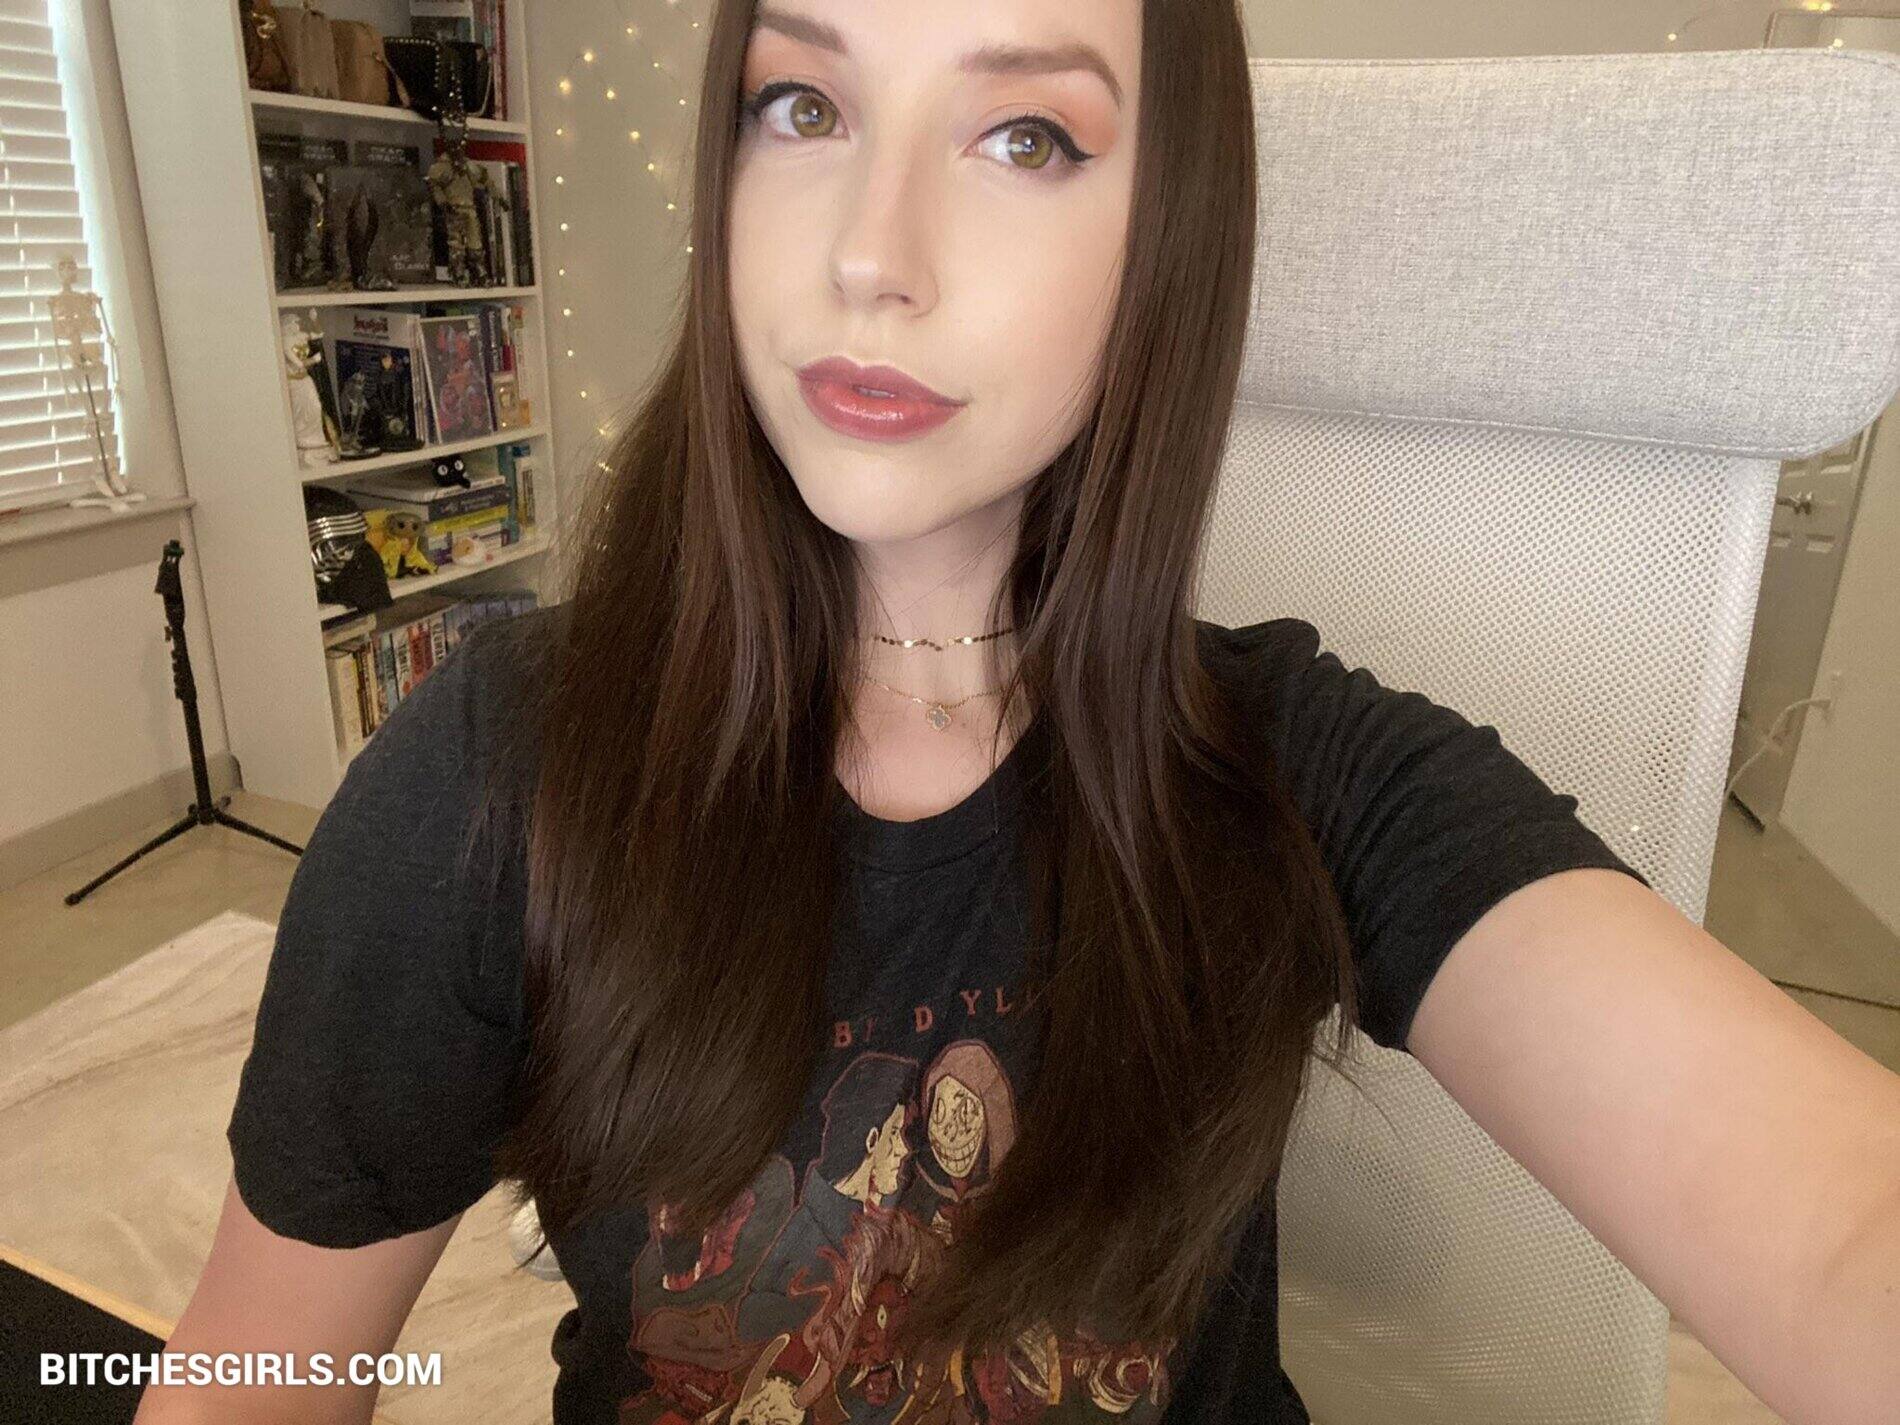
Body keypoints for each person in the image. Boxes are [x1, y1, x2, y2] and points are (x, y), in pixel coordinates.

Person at [137, 3, 1900, 1423]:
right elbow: (251, 1373)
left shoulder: (1302, 771)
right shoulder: (492, 777)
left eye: (1026, 136)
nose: (870, 254)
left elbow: (1842, 1235)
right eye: (803, 106)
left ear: (1168, 239)